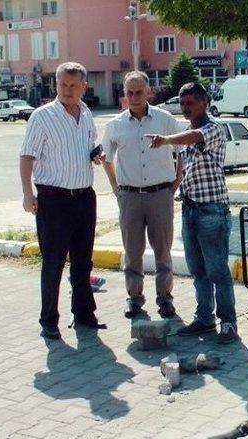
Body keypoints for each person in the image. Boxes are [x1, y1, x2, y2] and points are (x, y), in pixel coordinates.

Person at [146, 82, 238, 344]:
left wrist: (165, 140)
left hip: (212, 210)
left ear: (204, 103)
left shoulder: (214, 128)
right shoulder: (187, 130)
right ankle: (204, 318)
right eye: (182, 103)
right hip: (190, 209)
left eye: (190, 103)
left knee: (217, 269)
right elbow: (183, 168)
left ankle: (228, 322)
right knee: (198, 270)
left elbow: (194, 138)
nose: (185, 108)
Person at [20, 62, 106, 340]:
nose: (68, 91)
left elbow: (90, 146)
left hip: (83, 198)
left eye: (73, 86)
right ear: (55, 85)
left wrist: (95, 155)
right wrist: (27, 194)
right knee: (54, 263)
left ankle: (83, 313)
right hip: (53, 201)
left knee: (83, 261)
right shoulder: (42, 117)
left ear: (84, 86)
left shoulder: (87, 113)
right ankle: (49, 320)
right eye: (62, 85)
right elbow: (26, 157)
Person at [101, 71, 180, 319]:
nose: (134, 97)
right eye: (129, 92)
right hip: (130, 197)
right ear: (124, 94)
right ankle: (134, 299)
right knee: (132, 252)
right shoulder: (115, 125)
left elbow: (182, 153)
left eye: (139, 92)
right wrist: (116, 187)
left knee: (163, 252)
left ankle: (165, 299)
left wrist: (175, 184)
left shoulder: (165, 120)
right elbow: (106, 158)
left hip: (160, 196)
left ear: (148, 92)